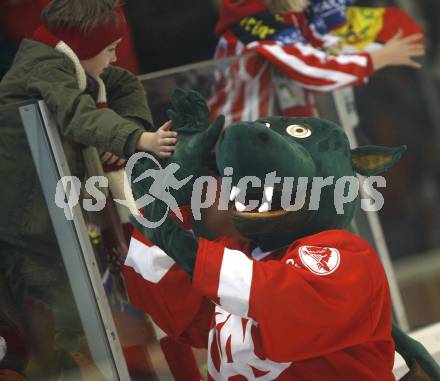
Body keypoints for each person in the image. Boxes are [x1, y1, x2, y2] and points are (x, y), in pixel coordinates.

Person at [0, 0, 176, 378]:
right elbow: (76, 115)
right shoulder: (44, 70)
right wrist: (136, 139)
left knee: (81, 309)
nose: (114, 58)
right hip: (34, 225)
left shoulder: (66, 65)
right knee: (57, 314)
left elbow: (124, 82)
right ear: (82, 50)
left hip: (61, 214)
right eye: (109, 49)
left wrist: (122, 130)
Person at [210, 0, 425, 122]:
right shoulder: (254, 25)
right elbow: (312, 68)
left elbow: (332, 43)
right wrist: (377, 58)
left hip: (280, 136)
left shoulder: (292, 15)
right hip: (237, 143)